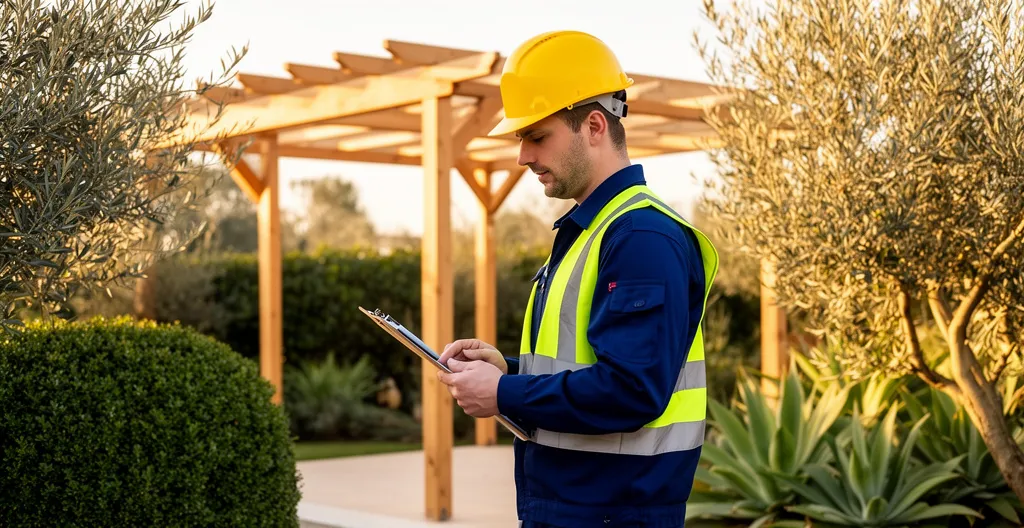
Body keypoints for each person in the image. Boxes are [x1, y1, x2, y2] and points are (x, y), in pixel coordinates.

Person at [436, 30, 719, 528]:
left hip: (613, 512)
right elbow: (590, 358)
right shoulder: (596, 230)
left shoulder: (641, 237)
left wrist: (503, 393)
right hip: (581, 508)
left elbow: (631, 389)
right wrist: (511, 368)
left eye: (536, 136)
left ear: (593, 125)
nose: (522, 156)